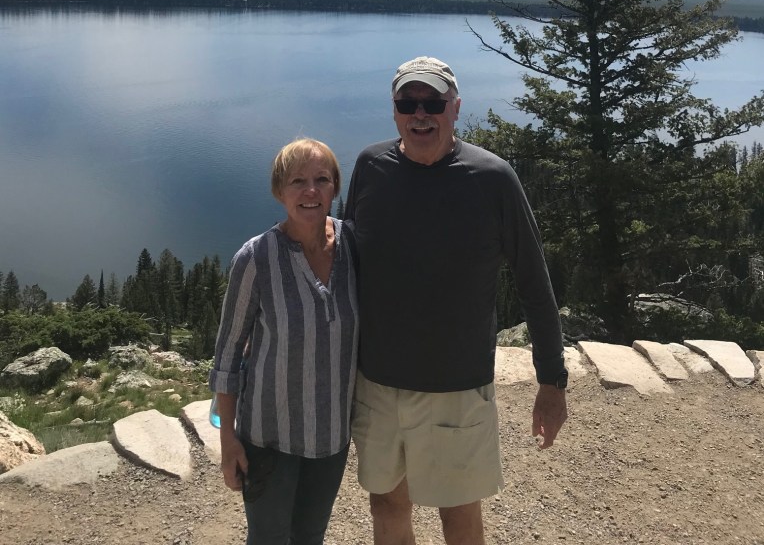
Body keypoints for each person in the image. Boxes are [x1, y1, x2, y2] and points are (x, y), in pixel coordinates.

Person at [345, 56, 567, 545]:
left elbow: (534, 283)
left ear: (456, 107)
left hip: (457, 386)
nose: (420, 114)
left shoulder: (492, 178)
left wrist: (552, 381)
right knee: (386, 503)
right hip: (377, 383)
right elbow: (345, 266)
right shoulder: (370, 167)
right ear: (395, 110)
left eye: (433, 102)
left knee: (459, 514)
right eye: (408, 103)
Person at [210, 138, 358, 545]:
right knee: (268, 538)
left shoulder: (353, 247)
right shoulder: (256, 258)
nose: (311, 191)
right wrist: (228, 440)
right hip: (268, 437)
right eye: (297, 181)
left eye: (321, 180)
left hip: (330, 436)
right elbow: (227, 356)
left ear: (335, 187)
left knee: (310, 536)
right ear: (280, 191)